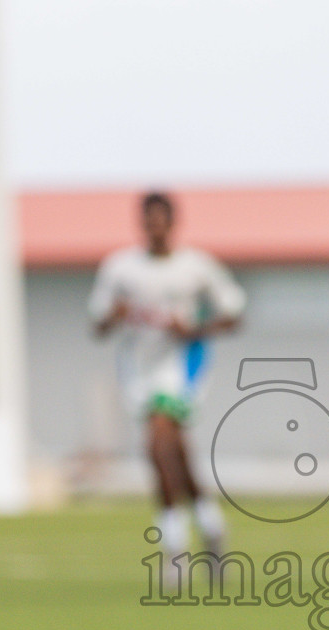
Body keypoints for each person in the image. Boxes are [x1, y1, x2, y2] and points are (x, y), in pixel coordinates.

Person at [90, 192, 245, 561]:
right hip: (137, 365)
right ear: (141, 223)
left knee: (157, 439)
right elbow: (98, 325)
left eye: (161, 220)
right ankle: (210, 525)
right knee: (172, 451)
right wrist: (116, 314)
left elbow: (234, 316)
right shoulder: (120, 268)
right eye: (148, 221)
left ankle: (173, 542)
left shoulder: (196, 267)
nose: (154, 228)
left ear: (173, 223)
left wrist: (192, 328)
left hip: (182, 362)